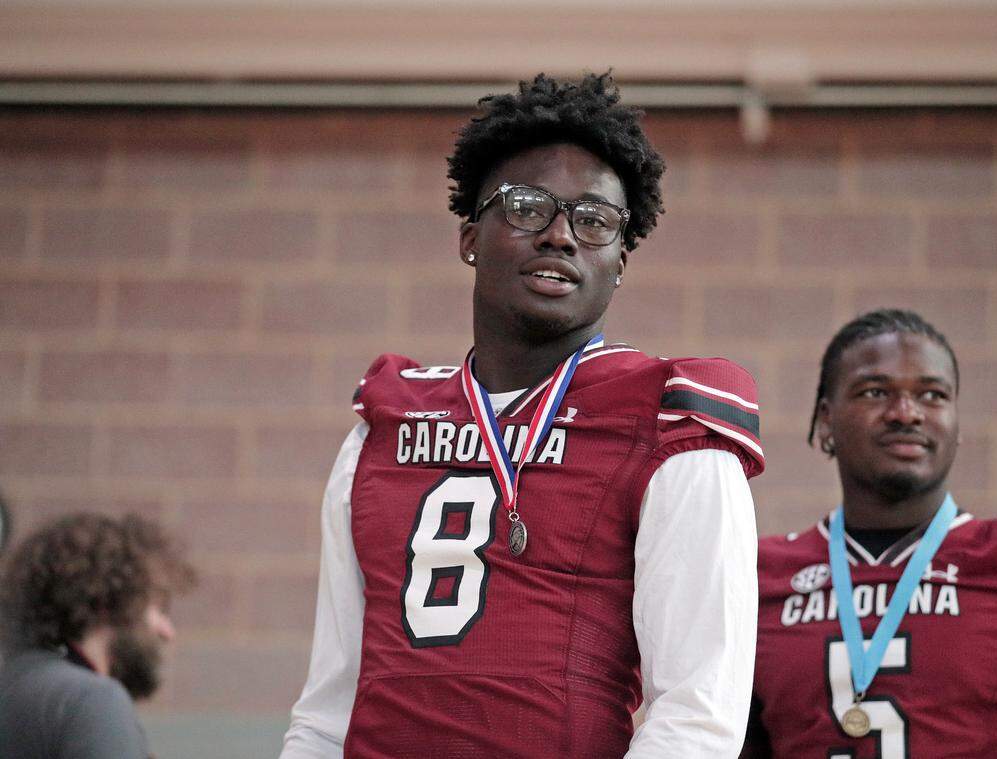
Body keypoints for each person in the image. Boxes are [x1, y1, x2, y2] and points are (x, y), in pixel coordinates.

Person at [281, 72, 765, 758]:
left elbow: (698, 717)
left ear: (620, 260)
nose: (562, 234)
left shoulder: (670, 422)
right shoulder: (381, 425)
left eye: (594, 219)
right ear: (470, 236)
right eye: (528, 206)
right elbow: (329, 709)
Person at [742, 308, 997, 759]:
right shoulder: (759, 577)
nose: (906, 413)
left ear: (957, 422)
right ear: (826, 420)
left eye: (932, 395)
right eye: (875, 392)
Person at [0, 512, 196, 759]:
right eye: (158, 608)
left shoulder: (15, 683)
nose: (168, 631)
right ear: (108, 601)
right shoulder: (93, 700)